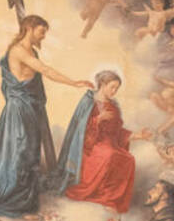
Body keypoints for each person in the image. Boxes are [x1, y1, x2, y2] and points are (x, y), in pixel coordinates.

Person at [0, 14, 93, 218]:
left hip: (29, 109)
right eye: (42, 32)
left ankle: (24, 204)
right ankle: (14, 204)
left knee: (30, 153)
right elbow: (44, 70)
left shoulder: (30, 50)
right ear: (30, 28)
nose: (43, 37)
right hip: (20, 110)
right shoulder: (18, 51)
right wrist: (74, 82)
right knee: (21, 152)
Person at [55, 70, 152, 213]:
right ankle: (99, 195)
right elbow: (80, 130)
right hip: (89, 146)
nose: (114, 91)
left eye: (117, 88)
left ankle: (110, 199)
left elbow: (117, 132)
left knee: (128, 159)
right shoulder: (89, 101)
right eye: (112, 87)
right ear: (102, 84)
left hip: (109, 143)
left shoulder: (113, 105)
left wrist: (138, 136)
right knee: (110, 155)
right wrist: (98, 119)